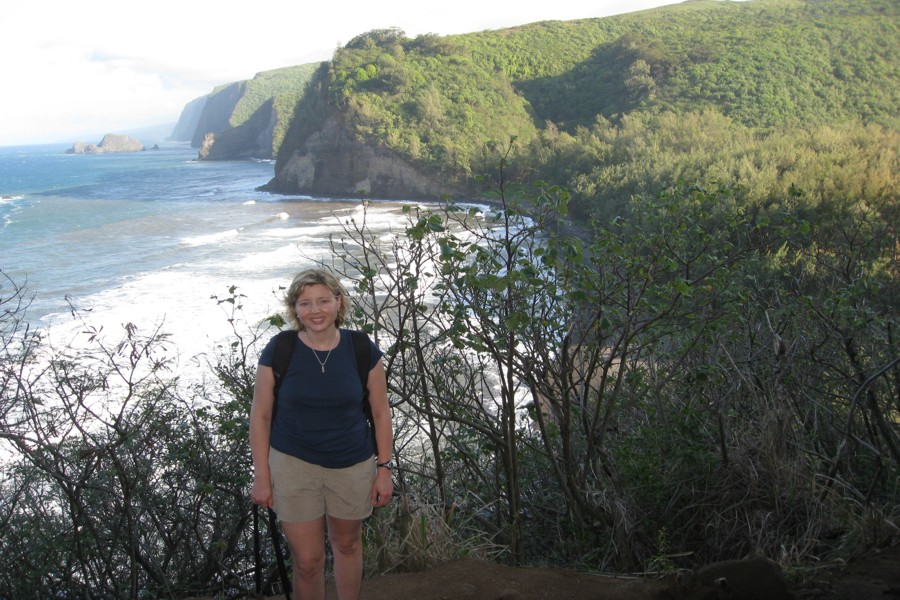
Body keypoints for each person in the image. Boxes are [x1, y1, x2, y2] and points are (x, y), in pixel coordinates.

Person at [250, 268, 393, 600]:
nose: (315, 310)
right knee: (307, 561)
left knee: (347, 544)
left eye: (323, 301)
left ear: (338, 302)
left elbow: (381, 412)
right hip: (293, 464)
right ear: (295, 309)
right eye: (305, 303)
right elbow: (260, 415)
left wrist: (384, 469)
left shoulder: (361, 348)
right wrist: (262, 476)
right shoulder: (280, 349)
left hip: (351, 464)